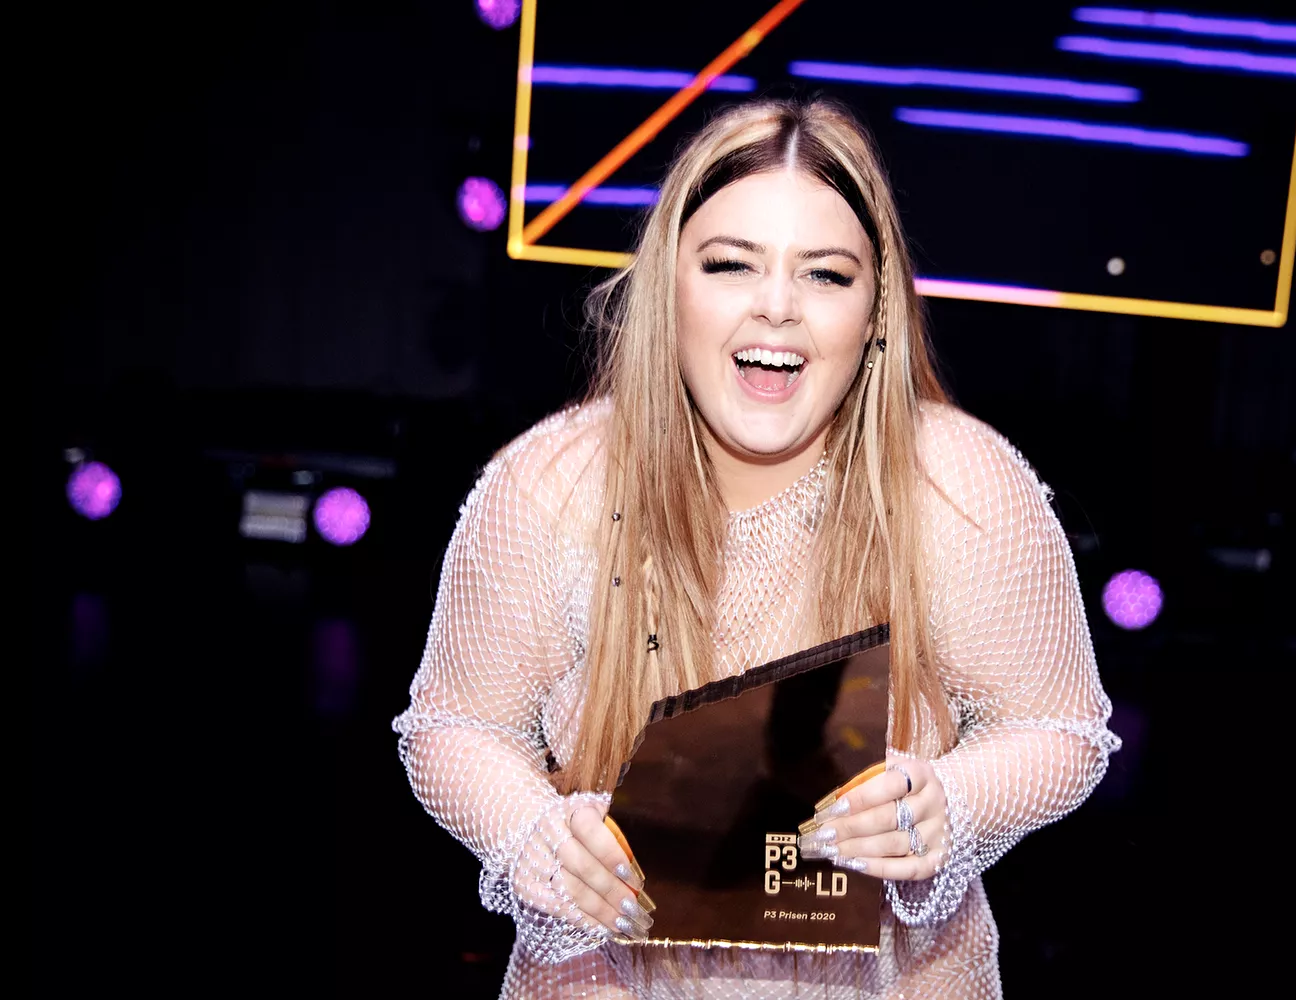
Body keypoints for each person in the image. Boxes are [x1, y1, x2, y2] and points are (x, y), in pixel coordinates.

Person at [393, 98, 1120, 998]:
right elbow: (456, 726)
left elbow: (1060, 729)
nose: (776, 307)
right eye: (731, 264)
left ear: (876, 309)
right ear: (668, 285)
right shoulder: (551, 484)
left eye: (825, 275)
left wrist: (957, 806)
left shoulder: (959, 485)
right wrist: (532, 838)